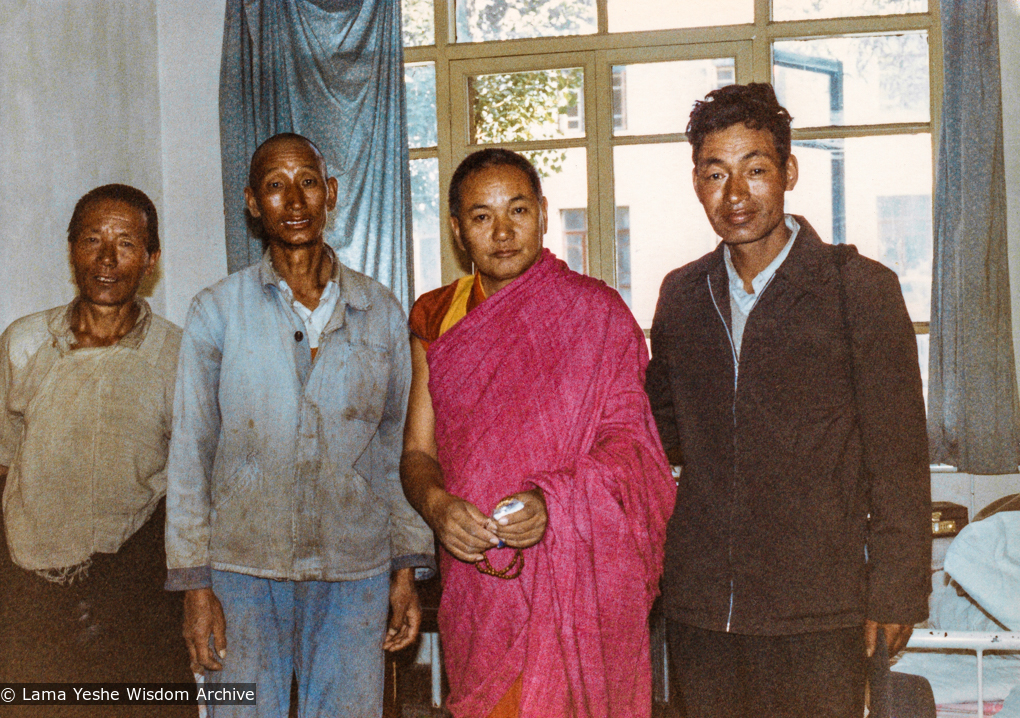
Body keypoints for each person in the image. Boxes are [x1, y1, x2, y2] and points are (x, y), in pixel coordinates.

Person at [644, 83, 931, 717]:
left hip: (818, 603)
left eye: (755, 170)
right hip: (701, 603)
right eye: (716, 174)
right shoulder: (682, 295)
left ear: (789, 172)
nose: (736, 195)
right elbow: (657, 431)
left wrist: (895, 591)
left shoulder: (858, 290)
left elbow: (899, 458)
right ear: (696, 182)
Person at [401, 148, 677, 718]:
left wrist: (553, 501)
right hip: (478, 581)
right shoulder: (438, 317)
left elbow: (633, 451)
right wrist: (436, 505)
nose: (502, 233)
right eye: (481, 217)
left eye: (518, 210)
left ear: (544, 214)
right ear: (457, 230)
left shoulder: (597, 313)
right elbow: (417, 451)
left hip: (578, 575)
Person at [165, 133, 434, 717]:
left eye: (307, 182)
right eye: (275, 185)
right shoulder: (217, 311)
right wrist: (195, 584)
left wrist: (406, 568)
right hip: (242, 572)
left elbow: (399, 450)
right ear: (252, 203)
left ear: (330, 192)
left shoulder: (380, 310)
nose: (294, 200)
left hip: (353, 572)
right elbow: (191, 452)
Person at [0, 184, 192, 709]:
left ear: (151, 259)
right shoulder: (23, 342)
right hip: (30, 590)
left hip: (135, 591)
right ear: (71, 250)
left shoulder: (178, 355)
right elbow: (4, 465)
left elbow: (191, 487)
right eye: (92, 240)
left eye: (127, 244)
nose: (107, 259)